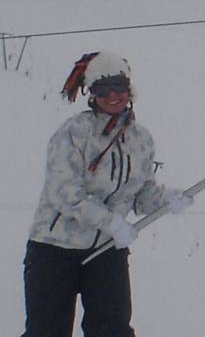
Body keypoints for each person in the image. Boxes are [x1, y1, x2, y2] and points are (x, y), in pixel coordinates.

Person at [21, 51, 193, 337]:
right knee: (47, 331)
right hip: (54, 251)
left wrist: (165, 199)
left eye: (119, 87)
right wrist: (111, 223)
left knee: (113, 331)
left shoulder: (140, 139)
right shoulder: (75, 132)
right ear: (92, 93)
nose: (113, 95)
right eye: (103, 89)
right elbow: (64, 194)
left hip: (106, 252)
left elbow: (141, 194)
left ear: (129, 89)